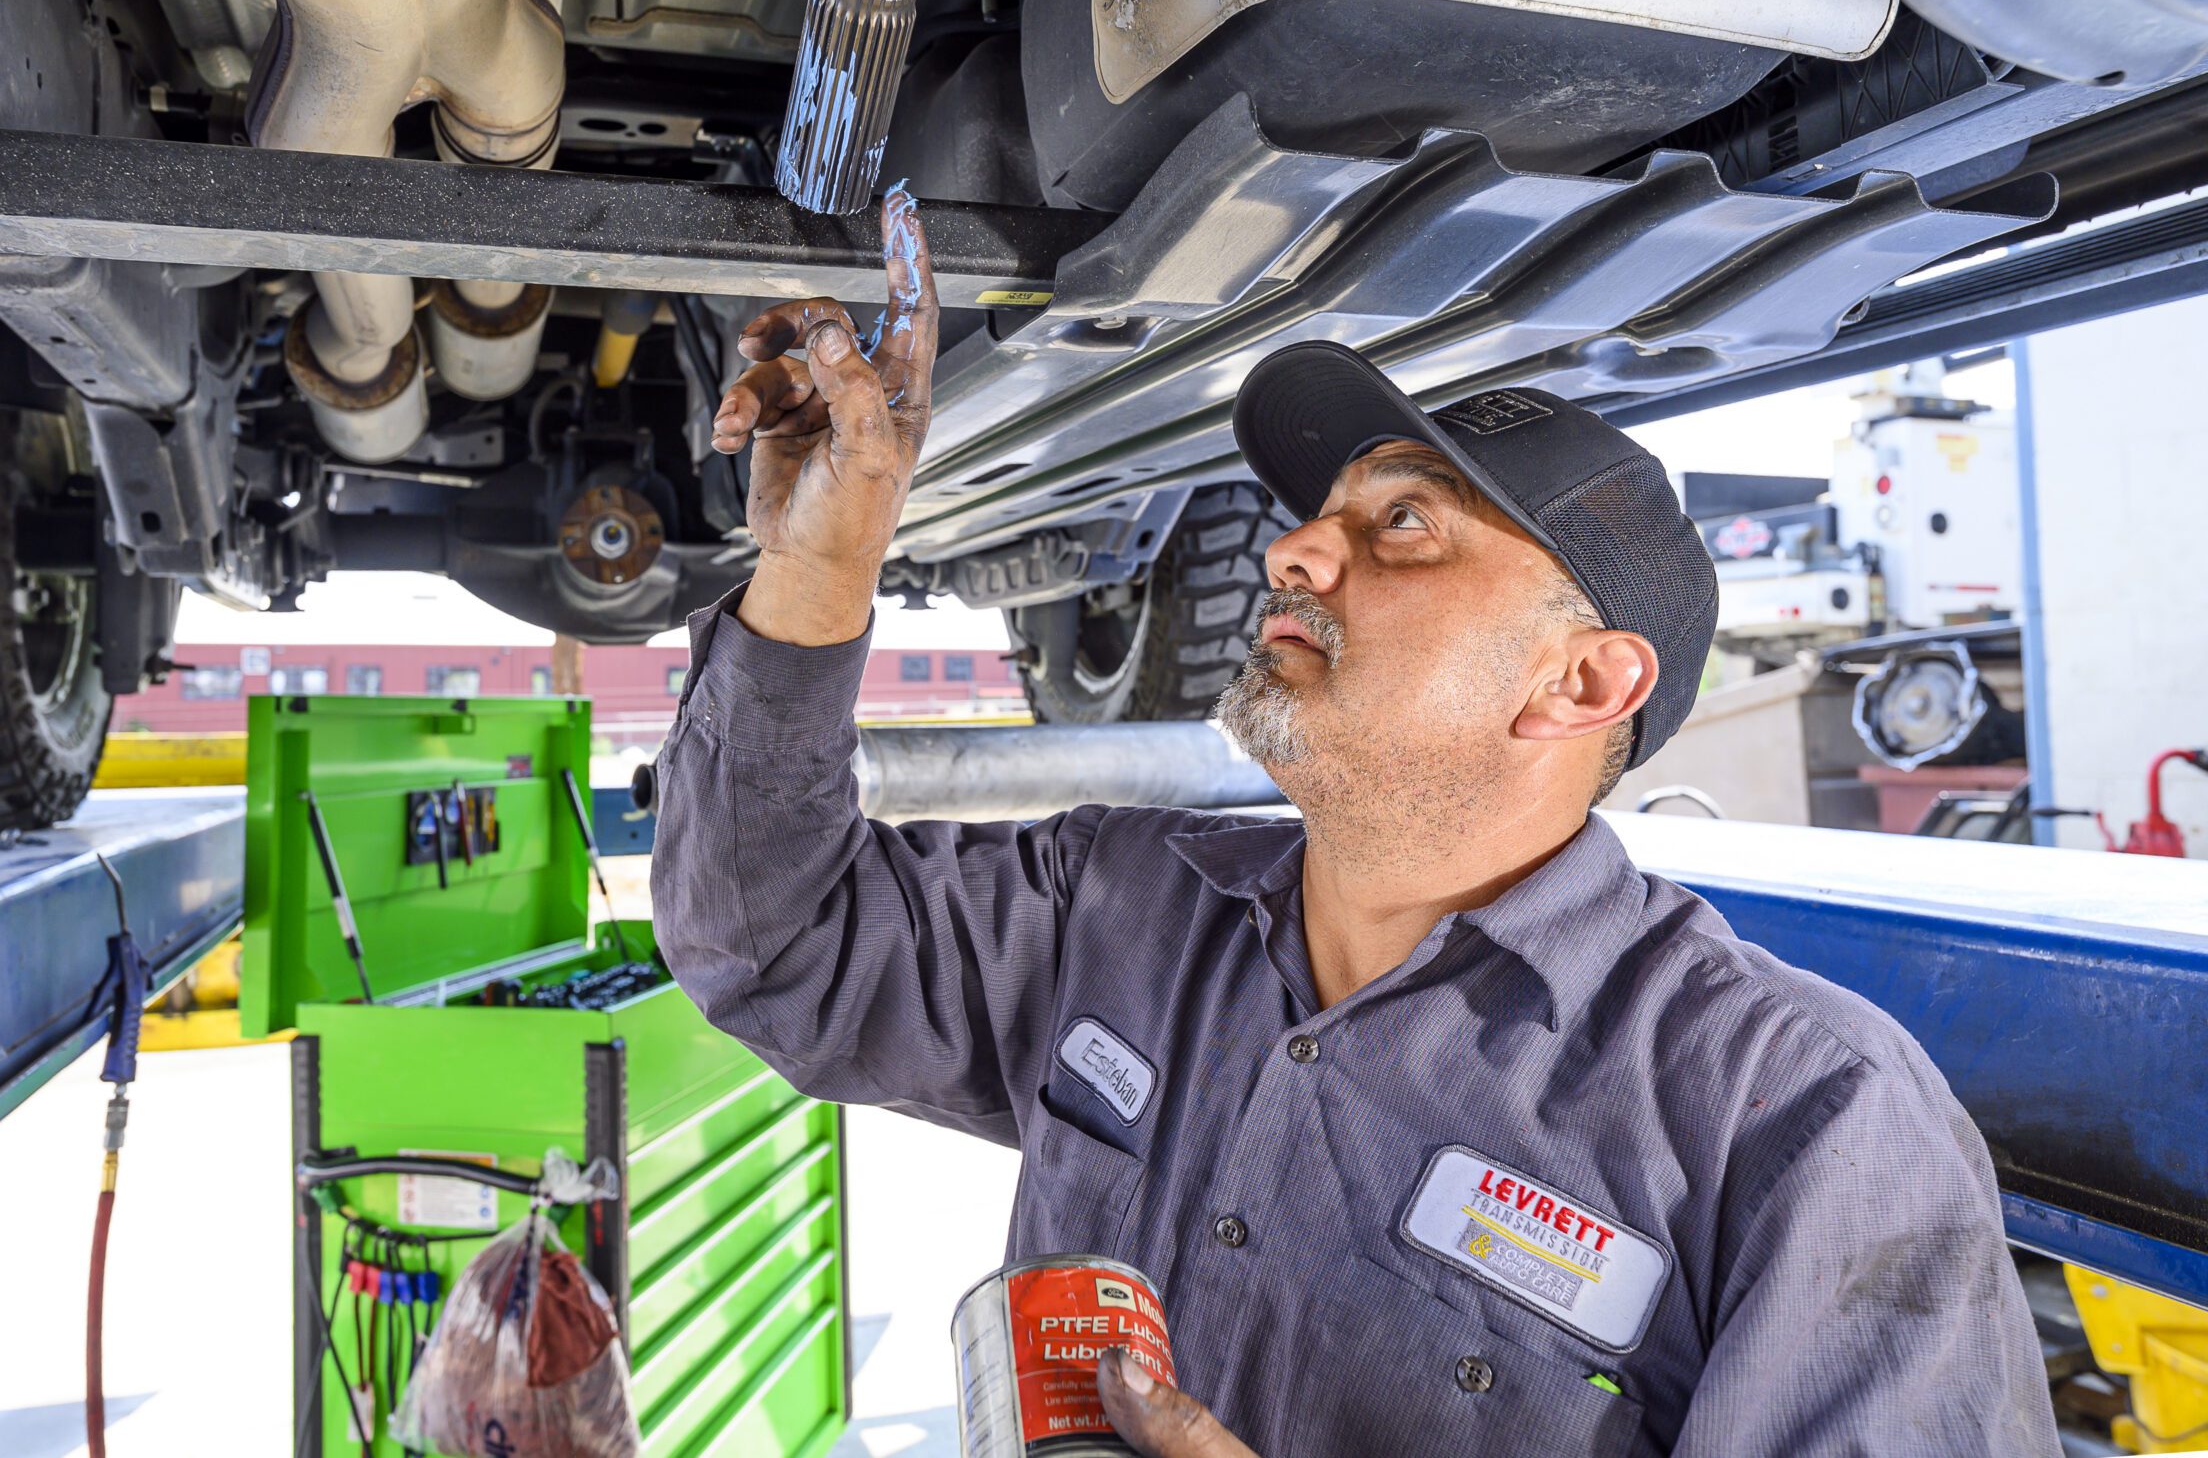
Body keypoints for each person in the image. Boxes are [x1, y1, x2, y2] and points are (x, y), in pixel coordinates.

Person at [650, 194, 2058, 1457]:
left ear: (1581, 684)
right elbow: (773, 946)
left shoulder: (1801, 1119)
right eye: (1323, 515)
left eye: (1404, 527)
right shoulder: (1121, 904)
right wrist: (820, 566)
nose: (1295, 548)